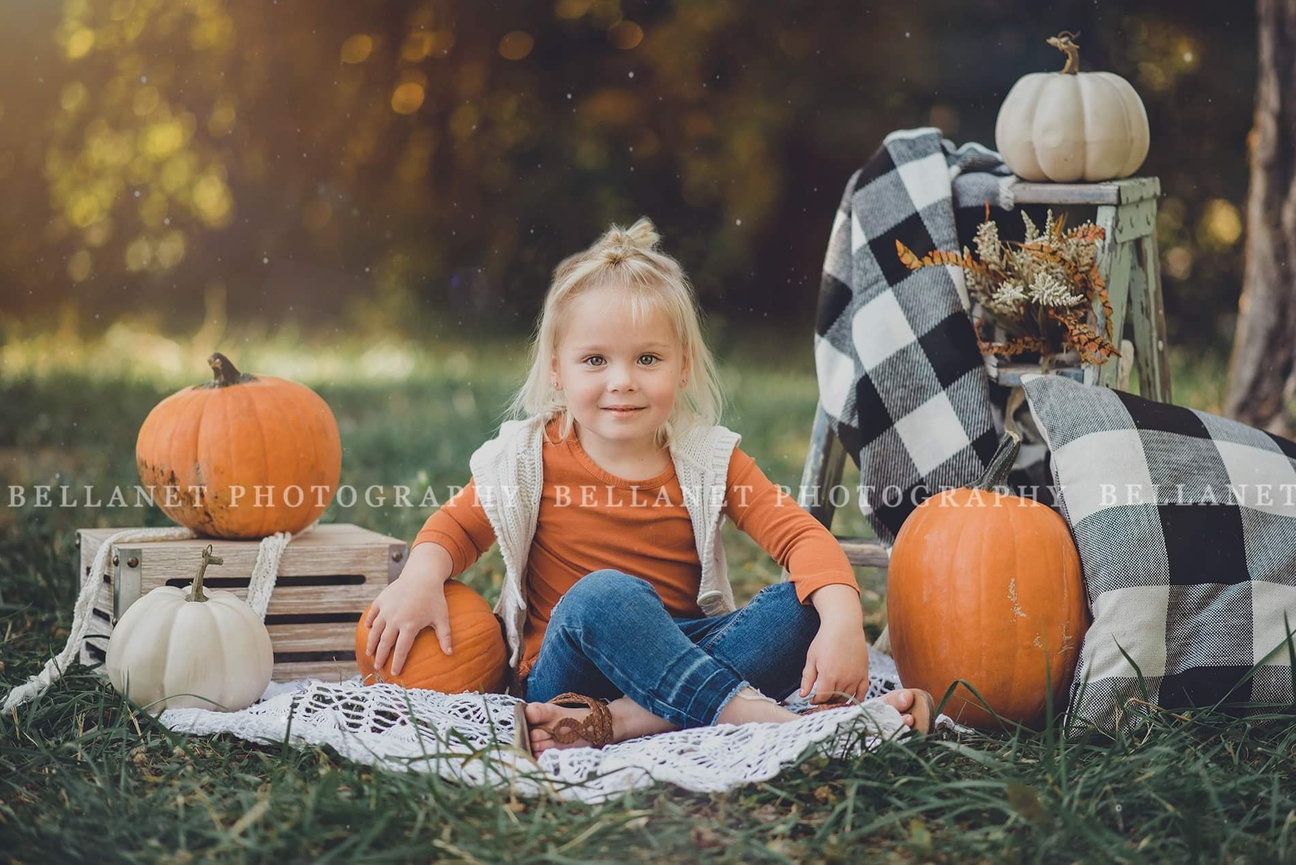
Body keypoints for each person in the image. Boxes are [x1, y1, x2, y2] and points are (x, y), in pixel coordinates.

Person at [361, 217, 934, 755]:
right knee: (605, 593)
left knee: (801, 603)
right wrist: (421, 576)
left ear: (683, 367)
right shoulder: (528, 457)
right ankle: (764, 720)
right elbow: (458, 527)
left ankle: (634, 719)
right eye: (594, 360)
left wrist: (840, 622)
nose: (622, 381)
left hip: (680, 648)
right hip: (567, 672)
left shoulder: (709, 460)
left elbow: (801, 539)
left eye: (647, 359)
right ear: (557, 370)